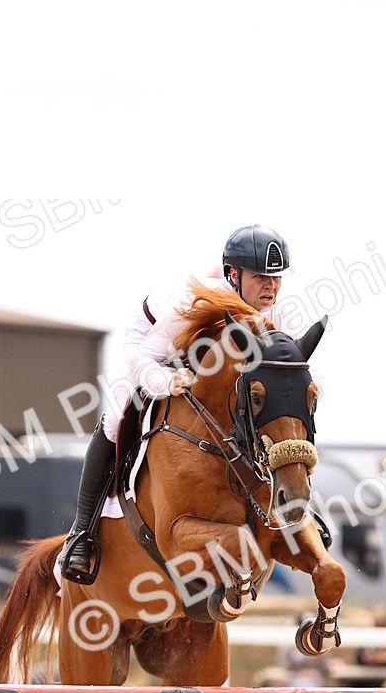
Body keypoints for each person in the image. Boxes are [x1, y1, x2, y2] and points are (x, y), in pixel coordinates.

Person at [59, 224, 300, 583]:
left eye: (276, 277)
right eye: (260, 276)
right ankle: (82, 533)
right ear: (233, 275)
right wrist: (166, 381)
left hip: (203, 360)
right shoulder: (194, 302)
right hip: (156, 343)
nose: (271, 286)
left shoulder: (277, 314)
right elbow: (144, 361)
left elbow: (296, 375)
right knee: (116, 415)